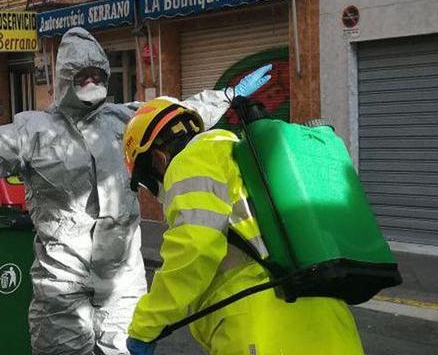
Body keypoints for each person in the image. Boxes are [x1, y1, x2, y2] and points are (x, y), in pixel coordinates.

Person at [0, 27, 272, 355]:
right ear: (64, 78)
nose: (90, 80)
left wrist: (229, 95)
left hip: (122, 282)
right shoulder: (34, 131)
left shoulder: (124, 119)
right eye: (81, 74)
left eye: (97, 73)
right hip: (62, 283)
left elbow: (180, 112)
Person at [121, 98, 365, 355]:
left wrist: (145, 326)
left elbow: (196, 246)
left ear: (158, 160)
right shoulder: (247, 156)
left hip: (262, 327)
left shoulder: (192, 159)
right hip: (331, 320)